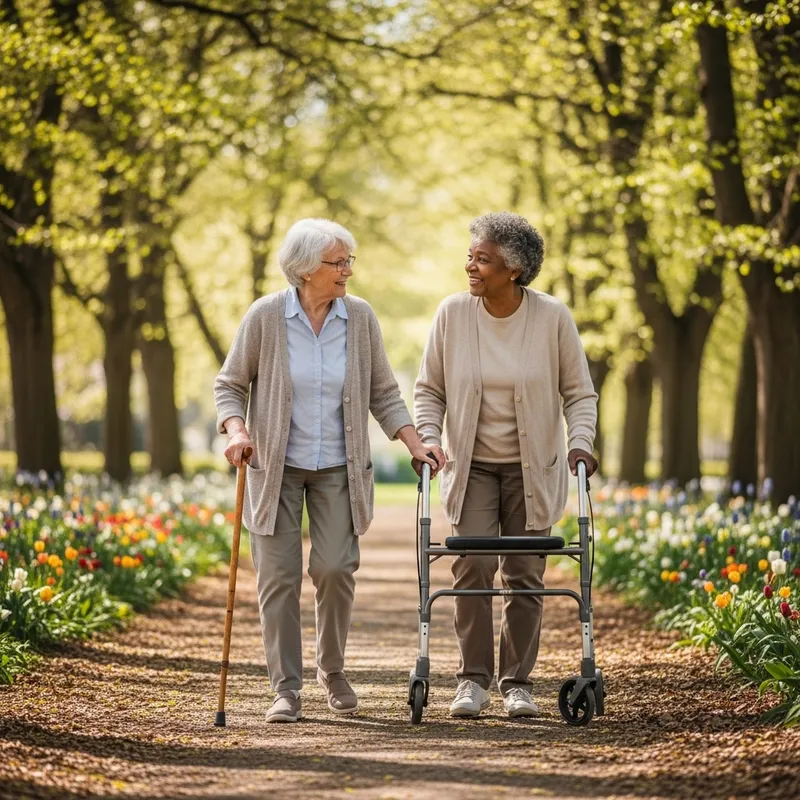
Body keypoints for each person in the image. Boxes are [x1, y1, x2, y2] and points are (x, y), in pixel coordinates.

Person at [215, 218, 444, 723]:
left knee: (336, 568)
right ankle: (286, 688)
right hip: (274, 466)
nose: (346, 271)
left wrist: (416, 442)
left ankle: (332, 669)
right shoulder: (266, 316)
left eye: (348, 261)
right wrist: (236, 430)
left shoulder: (359, 319)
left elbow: (383, 392)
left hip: (338, 465)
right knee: (279, 577)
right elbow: (229, 384)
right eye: (337, 262)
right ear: (304, 269)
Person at [413, 211, 598, 719]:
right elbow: (429, 390)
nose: (470, 265)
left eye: (482, 259)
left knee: (524, 572)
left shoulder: (552, 318)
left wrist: (581, 442)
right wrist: (428, 441)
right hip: (471, 466)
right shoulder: (452, 314)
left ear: (514, 270)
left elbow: (579, 394)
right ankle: (472, 680)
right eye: (470, 255)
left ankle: (516, 682)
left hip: (533, 468)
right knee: (472, 564)